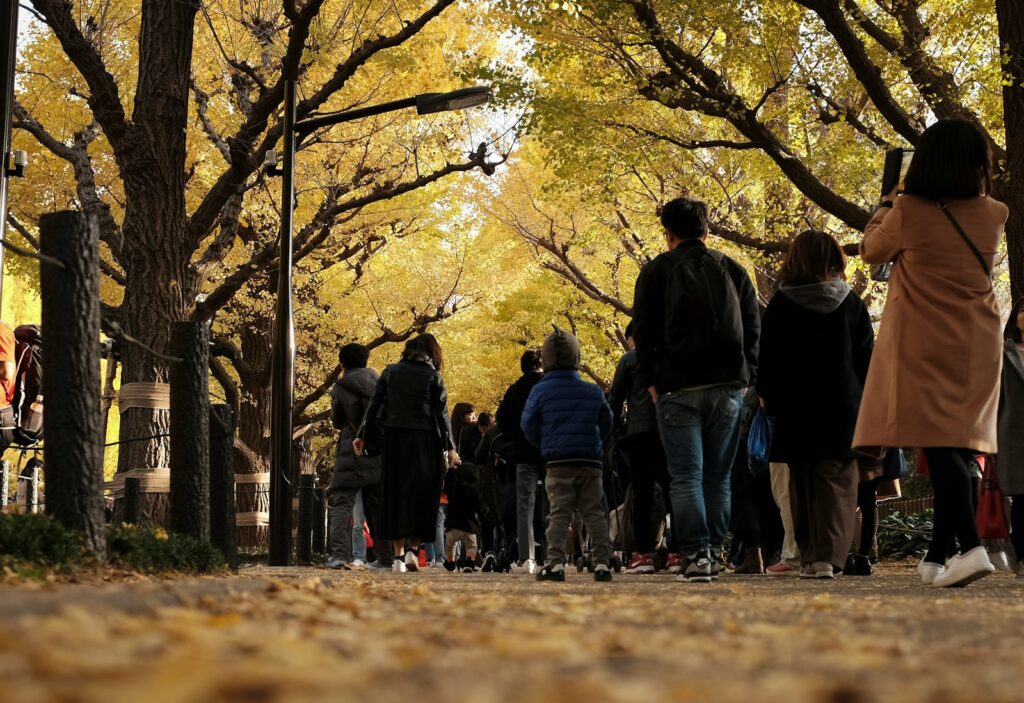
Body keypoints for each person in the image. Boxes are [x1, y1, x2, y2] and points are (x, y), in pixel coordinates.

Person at [855, 118, 1007, 588]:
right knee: (957, 448)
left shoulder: (907, 211)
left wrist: (885, 205)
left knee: (937, 444)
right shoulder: (994, 213)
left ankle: (973, 547)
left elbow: (870, 251)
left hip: (924, 339)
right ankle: (937, 557)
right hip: (979, 340)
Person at [632, 196, 760, 583]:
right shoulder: (734, 271)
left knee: (685, 476)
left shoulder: (655, 273)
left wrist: (653, 384)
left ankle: (695, 554)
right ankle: (715, 552)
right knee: (717, 478)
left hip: (675, 390)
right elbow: (754, 329)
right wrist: (745, 377)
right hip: (726, 388)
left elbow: (644, 333)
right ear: (707, 230)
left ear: (668, 235)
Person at [757, 230, 874, 580]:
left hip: (795, 404)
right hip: (842, 404)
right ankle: (827, 557)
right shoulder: (851, 303)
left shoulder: (780, 303)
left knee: (801, 480)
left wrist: (767, 397)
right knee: (837, 481)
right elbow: (867, 357)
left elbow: (769, 358)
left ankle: (809, 555)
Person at [355, 333, 460, 573]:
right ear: (431, 352)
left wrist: (362, 434)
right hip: (426, 441)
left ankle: (398, 557)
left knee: (394, 494)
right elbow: (441, 414)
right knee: (423, 494)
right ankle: (414, 549)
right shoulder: (433, 376)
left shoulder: (391, 372)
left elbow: (374, 405)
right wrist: (451, 448)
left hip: (395, 439)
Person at [521, 326, 614, 582]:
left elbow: (527, 424)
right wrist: (596, 443)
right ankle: (603, 563)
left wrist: (544, 442)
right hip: (590, 460)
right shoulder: (592, 390)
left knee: (559, 512)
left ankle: (554, 564)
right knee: (594, 511)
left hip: (558, 461)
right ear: (577, 356)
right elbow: (607, 421)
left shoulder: (540, 390)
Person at [609, 321, 680, 574]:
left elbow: (615, 399)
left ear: (633, 338)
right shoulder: (671, 356)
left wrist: (614, 430)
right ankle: (676, 553)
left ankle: (643, 554)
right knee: (674, 489)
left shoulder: (630, 360)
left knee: (642, 491)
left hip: (639, 433)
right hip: (670, 430)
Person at [326, 343, 380, 570]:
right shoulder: (379, 383)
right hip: (376, 450)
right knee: (377, 505)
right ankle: (385, 557)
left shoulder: (341, 387)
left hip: (350, 450)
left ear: (342, 363)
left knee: (342, 504)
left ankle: (339, 555)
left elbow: (338, 421)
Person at [496, 349, 545, 573]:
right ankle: (556, 554)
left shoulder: (514, 390)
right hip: (549, 450)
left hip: (524, 452)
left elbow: (502, 420)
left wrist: (515, 437)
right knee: (556, 502)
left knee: (524, 506)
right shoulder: (548, 386)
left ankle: (528, 558)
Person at [999, 297, 1024, 575]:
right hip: (1013, 430)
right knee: (1021, 497)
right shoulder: (1004, 352)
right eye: (1023, 311)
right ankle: (1021, 553)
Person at [443, 462, 482, 572]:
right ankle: (469, 562)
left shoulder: (454, 490)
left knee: (450, 545)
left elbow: (447, 487)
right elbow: (480, 507)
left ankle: (450, 562)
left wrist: (451, 470)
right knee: (471, 546)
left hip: (453, 526)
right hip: (470, 527)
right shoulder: (475, 492)